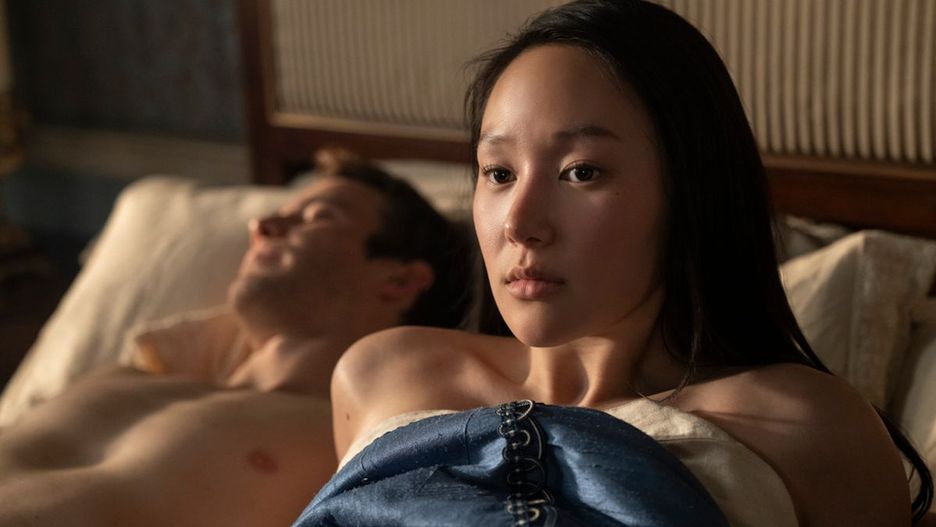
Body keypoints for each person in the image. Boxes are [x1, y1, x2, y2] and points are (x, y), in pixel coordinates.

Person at [326, 1, 933, 526]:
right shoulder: (383, 374)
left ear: (689, 191)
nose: (518, 223)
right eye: (499, 173)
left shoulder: (806, 430)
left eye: (581, 171)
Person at [0, 148, 473, 527]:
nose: (262, 226)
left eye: (317, 215)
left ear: (398, 281)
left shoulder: (364, 449)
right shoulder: (119, 377)